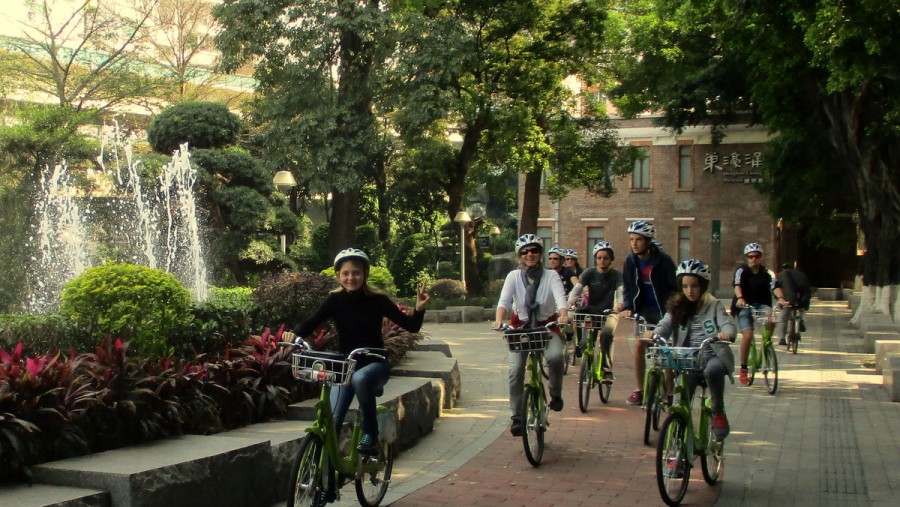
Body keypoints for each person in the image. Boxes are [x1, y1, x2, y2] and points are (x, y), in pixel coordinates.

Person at [283, 248, 431, 456]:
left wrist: (419, 308)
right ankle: (326, 484)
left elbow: (411, 326)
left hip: (374, 364)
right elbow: (311, 322)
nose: (351, 277)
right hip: (345, 367)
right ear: (338, 276)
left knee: (360, 378)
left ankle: (370, 433)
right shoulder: (335, 300)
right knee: (332, 422)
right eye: (345, 273)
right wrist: (294, 335)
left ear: (364, 274)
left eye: (356, 272)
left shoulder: (377, 300)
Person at [493, 234, 570, 437]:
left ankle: (555, 394)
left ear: (540, 254)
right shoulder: (513, 277)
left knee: (555, 357)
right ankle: (517, 416)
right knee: (515, 370)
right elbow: (504, 302)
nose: (530, 255)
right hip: (520, 329)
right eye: (525, 251)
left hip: (547, 327)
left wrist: (563, 315)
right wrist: (499, 320)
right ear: (519, 255)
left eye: (534, 250)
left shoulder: (551, 276)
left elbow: (561, 299)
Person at [653, 259, 736, 440]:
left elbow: (726, 322)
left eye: (695, 286)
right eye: (685, 286)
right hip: (687, 359)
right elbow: (665, 324)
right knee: (680, 401)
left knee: (714, 370)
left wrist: (726, 333)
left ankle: (718, 411)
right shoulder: (677, 304)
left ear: (703, 286)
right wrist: (655, 334)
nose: (690, 291)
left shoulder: (714, 304)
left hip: (710, 354)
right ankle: (676, 444)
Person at [620, 220, 678, 405]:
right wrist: (628, 306)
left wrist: (673, 310)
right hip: (644, 311)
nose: (634, 243)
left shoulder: (664, 261)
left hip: (664, 310)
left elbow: (675, 288)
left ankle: (670, 393)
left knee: (665, 350)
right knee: (639, 345)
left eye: (638, 239)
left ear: (648, 241)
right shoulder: (630, 261)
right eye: (631, 239)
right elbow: (628, 288)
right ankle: (640, 389)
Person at [567, 241, 624, 377]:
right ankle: (582, 346)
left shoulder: (616, 275)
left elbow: (622, 291)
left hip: (609, 312)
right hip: (591, 310)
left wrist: (619, 305)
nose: (602, 260)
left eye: (605, 258)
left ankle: (606, 369)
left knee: (606, 335)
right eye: (599, 257)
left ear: (611, 260)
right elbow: (577, 289)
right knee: (579, 318)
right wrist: (570, 301)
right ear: (595, 258)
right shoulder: (589, 273)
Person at [733, 243, 786, 384]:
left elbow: (775, 286)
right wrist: (740, 298)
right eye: (750, 257)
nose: (753, 259)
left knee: (771, 317)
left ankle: (766, 345)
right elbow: (737, 286)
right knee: (748, 335)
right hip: (744, 305)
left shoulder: (768, 273)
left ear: (761, 257)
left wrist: (780, 298)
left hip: (762, 304)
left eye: (756, 256)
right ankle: (743, 368)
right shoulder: (741, 271)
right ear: (747, 258)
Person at [775, 261, 811, 345]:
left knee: (783, 319)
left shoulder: (780, 275)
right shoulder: (801, 275)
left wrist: (779, 299)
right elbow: (807, 290)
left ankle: (782, 339)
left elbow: (776, 289)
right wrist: (804, 302)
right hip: (800, 300)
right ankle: (801, 320)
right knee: (801, 310)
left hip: (787, 301)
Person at [548, 245, 577, 346]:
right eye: (550, 258)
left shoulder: (568, 272)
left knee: (570, 317)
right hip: (550, 304)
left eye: (555, 258)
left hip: (566, 304)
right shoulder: (546, 273)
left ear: (561, 260)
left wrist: (572, 297)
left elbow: (577, 285)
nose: (552, 261)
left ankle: (569, 338)